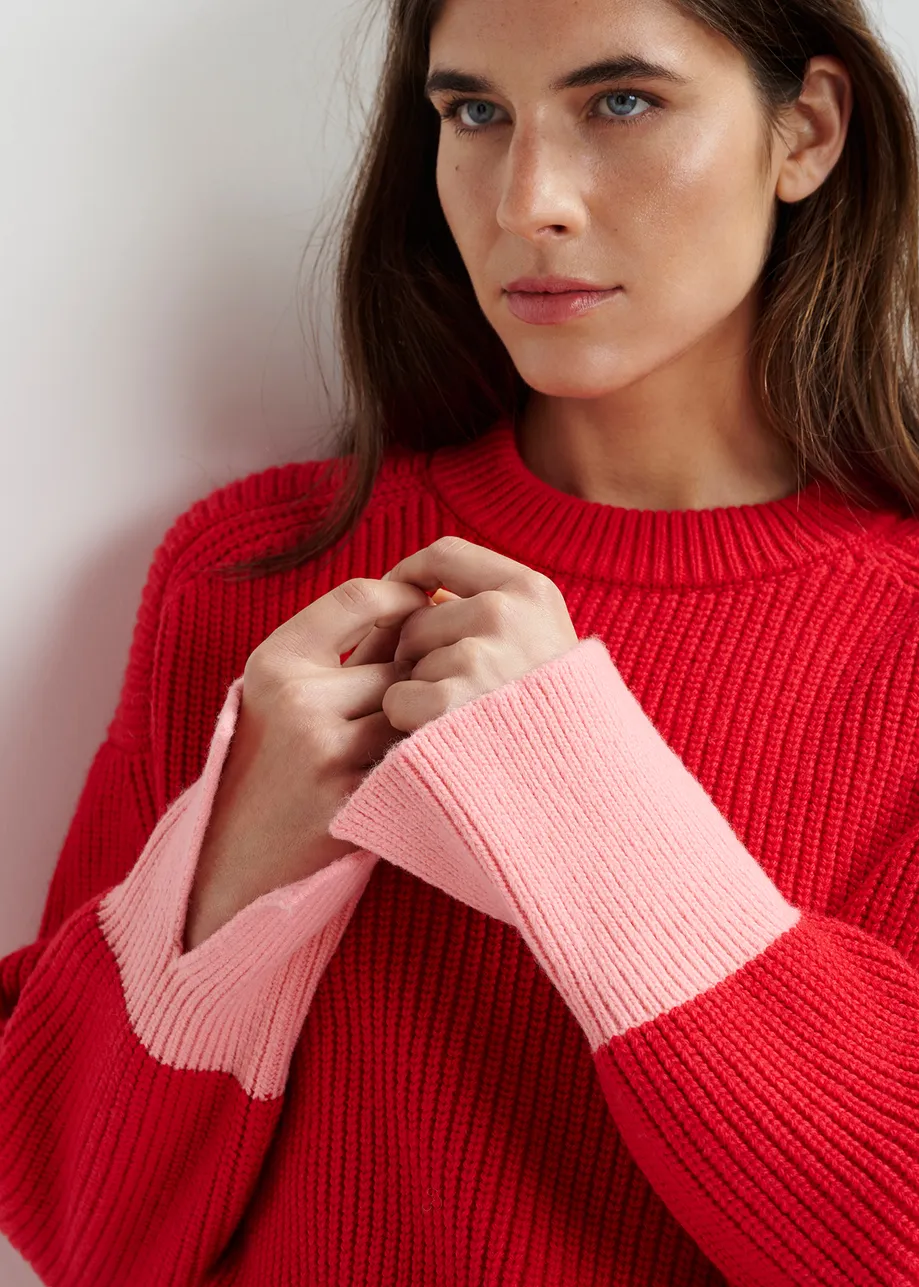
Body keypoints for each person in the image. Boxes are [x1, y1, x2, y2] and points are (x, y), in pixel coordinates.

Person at [2, 0, 919, 1281]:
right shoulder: (259, 573)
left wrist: (579, 801)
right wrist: (238, 867)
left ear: (806, 131)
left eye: (621, 103)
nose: (526, 199)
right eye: (474, 113)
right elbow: (75, 1225)